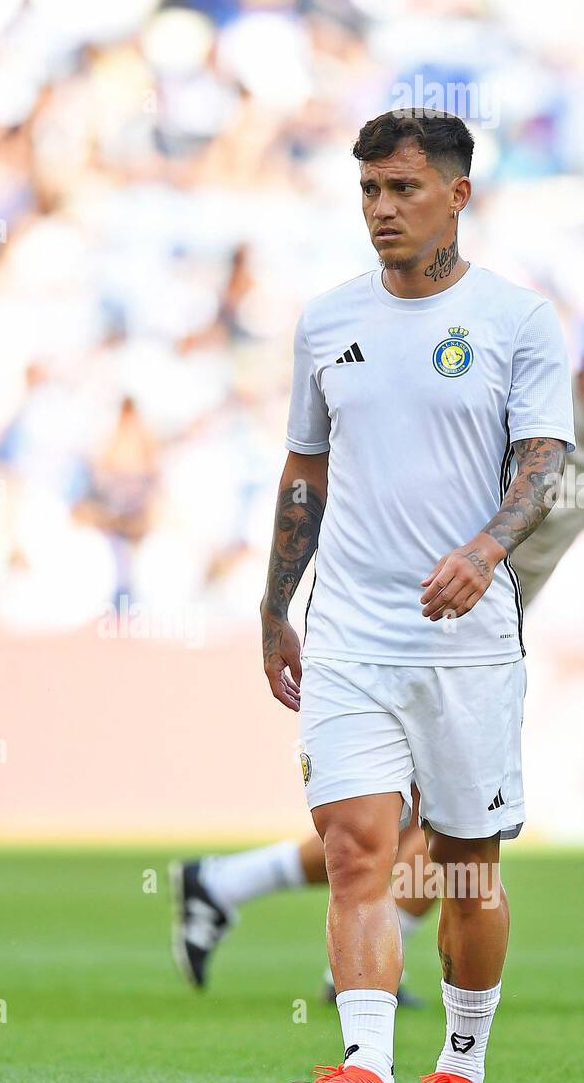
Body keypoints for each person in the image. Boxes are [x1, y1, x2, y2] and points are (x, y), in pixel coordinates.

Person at [256, 108, 573, 1083]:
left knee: (463, 869)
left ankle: (460, 1070)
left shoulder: (517, 321)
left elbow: (543, 466)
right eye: (367, 192)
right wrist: (273, 604)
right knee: (357, 851)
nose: (381, 210)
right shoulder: (324, 320)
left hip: (464, 644)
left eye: (401, 189)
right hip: (347, 631)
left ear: (455, 195)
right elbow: (305, 472)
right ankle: (364, 1071)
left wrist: (484, 552)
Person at [170, 362, 584, 1004]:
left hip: (483, 634)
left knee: (420, 825)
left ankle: (232, 888)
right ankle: (337, 961)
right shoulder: (529, 415)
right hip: (424, 618)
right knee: (426, 827)